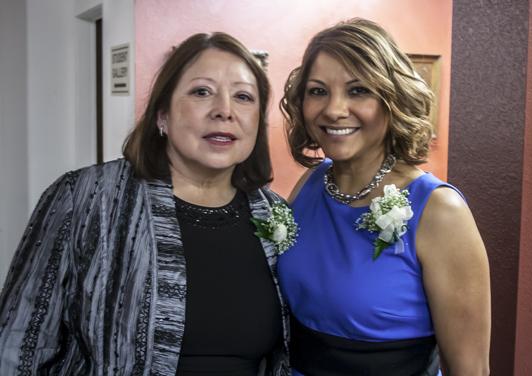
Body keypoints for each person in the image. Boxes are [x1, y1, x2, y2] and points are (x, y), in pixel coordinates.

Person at [0, 32, 290, 376]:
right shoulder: (85, 197)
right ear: (162, 115)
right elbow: (21, 340)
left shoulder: (273, 213)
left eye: (243, 97)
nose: (224, 111)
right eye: (202, 92)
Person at [277, 18, 491, 376]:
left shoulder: (440, 211)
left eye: (358, 90)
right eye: (318, 91)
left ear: (392, 100)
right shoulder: (311, 183)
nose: (333, 109)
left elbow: (470, 369)